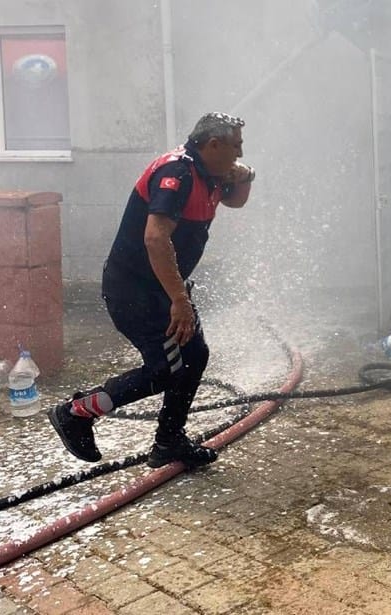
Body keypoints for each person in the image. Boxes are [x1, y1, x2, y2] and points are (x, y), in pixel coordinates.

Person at [48, 112, 255, 467]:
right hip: (134, 290)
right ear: (213, 144)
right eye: (235, 146)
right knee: (163, 369)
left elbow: (236, 201)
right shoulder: (176, 173)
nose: (240, 152)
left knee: (194, 357)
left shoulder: (213, 173)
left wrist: (247, 176)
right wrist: (179, 300)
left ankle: (169, 441)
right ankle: (76, 412)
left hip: (164, 288)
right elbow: (155, 238)